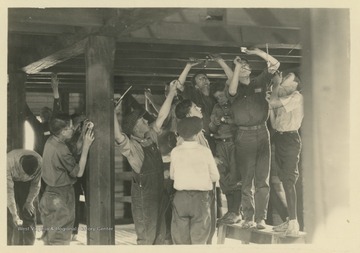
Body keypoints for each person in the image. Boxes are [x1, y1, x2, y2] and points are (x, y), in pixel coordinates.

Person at [114, 80, 177, 245]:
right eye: (141, 121)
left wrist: (171, 92)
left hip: (159, 194)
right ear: (134, 128)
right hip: (145, 199)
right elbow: (119, 136)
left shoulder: (151, 137)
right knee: (146, 239)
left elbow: (162, 116)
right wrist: (111, 113)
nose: (146, 122)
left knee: (160, 236)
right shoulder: (132, 148)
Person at [228, 47, 280, 229]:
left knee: (262, 178)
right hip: (244, 134)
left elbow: (275, 64)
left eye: (246, 66)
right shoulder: (233, 88)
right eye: (240, 67)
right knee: (247, 179)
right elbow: (232, 89)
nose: (244, 68)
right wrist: (236, 67)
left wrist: (257, 52)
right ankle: (248, 217)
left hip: (262, 132)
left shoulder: (260, 81)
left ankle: (260, 219)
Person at [39, 113, 94, 245]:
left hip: (49, 195)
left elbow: (72, 154)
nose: (73, 129)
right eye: (70, 127)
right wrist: (86, 145)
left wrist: (82, 135)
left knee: (50, 238)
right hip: (61, 197)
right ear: (63, 132)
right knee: (60, 240)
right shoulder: (61, 148)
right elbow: (79, 172)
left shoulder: (51, 141)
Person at [170, 117, 220, 244]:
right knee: (199, 239)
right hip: (200, 200)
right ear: (198, 134)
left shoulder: (175, 151)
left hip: (180, 198)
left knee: (181, 240)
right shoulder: (205, 152)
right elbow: (215, 176)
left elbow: (172, 176)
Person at [266, 71, 304, 236]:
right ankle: (290, 219)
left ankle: (294, 222)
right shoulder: (283, 97)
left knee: (289, 181)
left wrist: (275, 86)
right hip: (279, 138)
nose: (283, 82)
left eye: (288, 79)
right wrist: (270, 102)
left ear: (295, 83)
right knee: (281, 180)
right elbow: (274, 122)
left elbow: (274, 102)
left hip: (290, 139)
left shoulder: (297, 97)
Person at [209, 82, 242, 224]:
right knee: (224, 178)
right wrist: (216, 123)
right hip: (219, 144)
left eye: (221, 95)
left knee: (235, 176)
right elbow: (211, 128)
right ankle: (230, 212)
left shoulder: (236, 104)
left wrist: (228, 120)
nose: (220, 99)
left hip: (233, 143)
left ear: (227, 91)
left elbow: (241, 122)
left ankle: (236, 212)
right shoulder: (216, 108)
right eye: (217, 98)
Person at [7, 149, 42, 245]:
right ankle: (8, 245)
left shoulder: (40, 163)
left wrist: (29, 201)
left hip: (28, 185)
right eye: (24, 174)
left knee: (29, 213)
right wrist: (14, 214)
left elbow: (36, 184)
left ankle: (29, 246)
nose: (25, 176)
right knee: (9, 216)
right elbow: (8, 191)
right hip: (11, 182)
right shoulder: (8, 162)